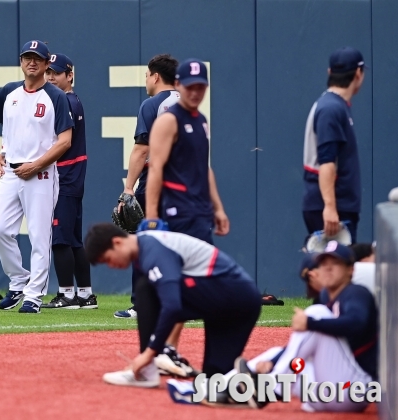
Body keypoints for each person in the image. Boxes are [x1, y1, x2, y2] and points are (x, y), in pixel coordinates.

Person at [137, 59, 230, 376]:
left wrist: (217, 207)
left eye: (200, 86)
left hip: (199, 211)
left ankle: (168, 349)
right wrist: (151, 219)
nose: (195, 91)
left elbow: (204, 168)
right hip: (176, 212)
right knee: (183, 282)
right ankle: (165, 349)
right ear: (178, 85)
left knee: (193, 282)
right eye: (189, 86)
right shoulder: (168, 120)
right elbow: (156, 168)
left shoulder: (200, 120)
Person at [84, 223, 261, 388]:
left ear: (117, 242)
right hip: (227, 301)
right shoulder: (144, 246)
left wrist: (149, 353)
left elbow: (172, 306)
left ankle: (148, 369)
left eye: (107, 259)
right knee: (214, 381)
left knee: (146, 288)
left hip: (235, 299)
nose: (110, 266)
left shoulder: (152, 251)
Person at [0, 41, 74, 314]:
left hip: (41, 173)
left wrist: (36, 165)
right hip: (11, 170)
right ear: (21, 62)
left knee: (39, 236)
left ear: (47, 65)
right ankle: (19, 279)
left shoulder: (55, 96)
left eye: (37, 58)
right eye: (27, 57)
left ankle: (34, 295)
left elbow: (65, 141)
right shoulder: (10, 91)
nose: (31, 62)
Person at [233, 242, 377, 412]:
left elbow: (356, 322)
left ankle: (270, 388)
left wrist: (310, 322)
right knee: (276, 354)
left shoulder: (356, 293)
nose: (328, 268)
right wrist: (272, 362)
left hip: (355, 388)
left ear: (350, 270)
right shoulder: (326, 296)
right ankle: (219, 389)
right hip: (329, 391)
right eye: (324, 264)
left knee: (316, 313)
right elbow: (301, 348)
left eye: (336, 263)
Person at [114, 54, 180, 320]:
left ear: (155, 76)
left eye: (146, 75)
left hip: (157, 182)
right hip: (186, 185)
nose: (146, 80)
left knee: (146, 242)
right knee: (178, 243)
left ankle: (142, 304)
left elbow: (142, 150)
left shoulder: (153, 104)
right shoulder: (189, 103)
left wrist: (128, 189)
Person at [40, 53, 96, 310]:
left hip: (64, 177)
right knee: (73, 239)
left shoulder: (64, 101)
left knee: (60, 238)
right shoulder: (72, 100)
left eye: (56, 73)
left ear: (69, 75)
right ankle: (84, 294)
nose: (50, 77)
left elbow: (62, 143)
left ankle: (66, 294)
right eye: (48, 72)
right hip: (73, 177)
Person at [302, 47, 366, 244]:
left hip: (336, 207)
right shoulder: (331, 108)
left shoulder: (334, 106)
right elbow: (327, 161)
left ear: (330, 73)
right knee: (333, 272)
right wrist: (330, 207)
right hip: (332, 211)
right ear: (358, 74)